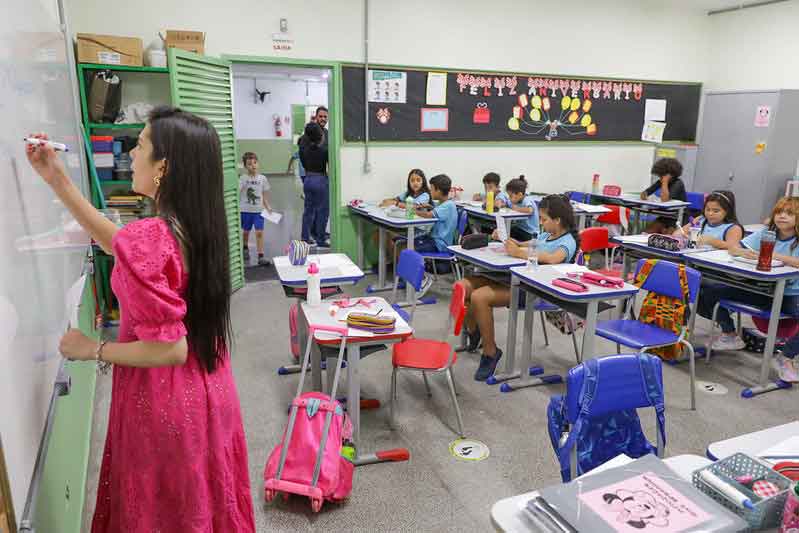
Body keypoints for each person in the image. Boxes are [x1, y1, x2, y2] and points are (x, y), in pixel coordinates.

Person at [25, 107, 255, 531]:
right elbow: (121, 244)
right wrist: (58, 180)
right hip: (208, 385)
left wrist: (92, 348)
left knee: (163, 508)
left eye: (141, 144)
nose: (131, 153)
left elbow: (169, 347)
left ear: (163, 165)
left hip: (165, 394)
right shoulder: (193, 225)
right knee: (198, 496)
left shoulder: (156, 235)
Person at [462, 195, 578, 381]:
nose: (540, 223)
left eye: (544, 219)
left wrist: (519, 252)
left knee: (479, 297)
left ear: (557, 220)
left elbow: (552, 258)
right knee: (463, 286)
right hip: (516, 279)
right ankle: (474, 331)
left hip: (537, 290)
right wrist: (509, 241)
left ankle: (490, 353)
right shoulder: (547, 234)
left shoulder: (567, 242)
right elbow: (528, 244)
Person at [697, 197, 799, 381]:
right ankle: (729, 334)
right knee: (707, 288)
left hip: (789, 295)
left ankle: (786, 357)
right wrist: (742, 252)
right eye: (779, 212)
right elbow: (736, 248)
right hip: (760, 290)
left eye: (789, 213)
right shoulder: (767, 233)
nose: (782, 216)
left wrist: (772, 255)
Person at [410, 174, 458, 296]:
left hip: (440, 244)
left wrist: (411, 210)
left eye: (431, 189)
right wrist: (430, 206)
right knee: (408, 243)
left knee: (410, 248)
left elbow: (429, 215)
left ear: (438, 190)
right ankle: (413, 278)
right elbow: (435, 211)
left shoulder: (448, 205)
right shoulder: (444, 204)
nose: (430, 191)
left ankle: (423, 279)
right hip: (434, 240)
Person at [672, 191, 742, 250]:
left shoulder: (733, 228)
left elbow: (734, 249)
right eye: (708, 209)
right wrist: (685, 236)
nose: (710, 213)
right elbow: (676, 234)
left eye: (716, 211)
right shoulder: (701, 219)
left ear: (727, 211)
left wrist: (713, 242)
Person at [239, 151, 273, 266]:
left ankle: (261, 255)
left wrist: (267, 206)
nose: (253, 165)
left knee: (259, 233)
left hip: (259, 211)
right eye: (249, 164)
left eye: (254, 162)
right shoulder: (243, 179)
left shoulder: (262, 178)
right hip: (245, 211)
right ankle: (245, 247)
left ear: (257, 163)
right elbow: (237, 192)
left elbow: (263, 194)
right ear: (245, 166)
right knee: (246, 232)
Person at [300, 122, 330, 247]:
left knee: (308, 211)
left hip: (308, 179)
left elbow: (304, 164)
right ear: (321, 136)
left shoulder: (303, 150)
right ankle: (321, 240)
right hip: (320, 180)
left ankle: (305, 238)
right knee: (322, 212)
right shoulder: (324, 151)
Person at [640, 157, 688, 234]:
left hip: (678, 217)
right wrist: (645, 194)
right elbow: (644, 194)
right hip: (666, 215)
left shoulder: (678, 183)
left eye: (662, 176)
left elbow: (665, 199)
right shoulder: (661, 181)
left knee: (667, 237)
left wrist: (665, 182)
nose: (660, 178)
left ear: (670, 175)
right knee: (646, 233)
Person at [503, 176, 539, 241]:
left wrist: (517, 208)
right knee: (504, 233)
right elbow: (507, 203)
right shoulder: (516, 200)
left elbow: (530, 210)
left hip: (530, 233)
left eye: (511, 196)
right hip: (520, 229)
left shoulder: (527, 200)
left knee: (507, 235)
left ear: (519, 195)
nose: (509, 198)